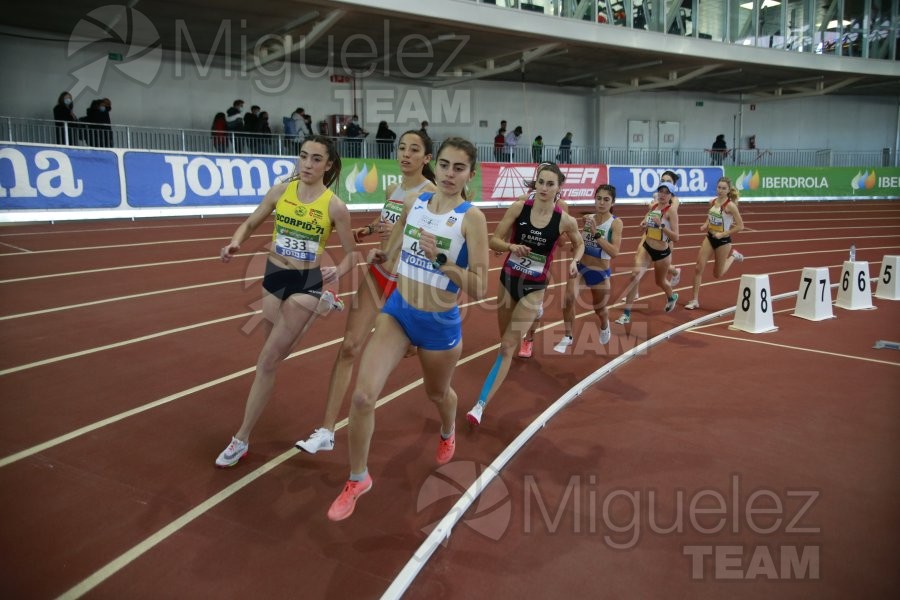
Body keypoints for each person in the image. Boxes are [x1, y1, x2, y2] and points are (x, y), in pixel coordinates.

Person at [326, 137, 490, 521]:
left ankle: (448, 427)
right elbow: (397, 242)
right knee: (364, 397)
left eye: (459, 168)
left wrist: (441, 258)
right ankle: (357, 478)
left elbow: (480, 285)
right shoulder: (416, 203)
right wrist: (384, 252)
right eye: (445, 165)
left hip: (438, 324)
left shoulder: (472, 218)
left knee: (438, 394)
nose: (450, 174)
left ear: (471, 173)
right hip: (399, 312)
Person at [214, 136, 358, 468]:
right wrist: (235, 242)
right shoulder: (281, 192)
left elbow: (353, 254)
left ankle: (241, 439)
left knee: (266, 361)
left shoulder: (335, 206)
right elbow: (251, 222)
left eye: (316, 159)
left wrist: (337, 270)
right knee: (277, 354)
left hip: (305, 283)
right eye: (303, 156)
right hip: (274, 275)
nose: (307, 164)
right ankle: (323, 306)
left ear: (329, 165)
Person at [295, 130, 436, 455]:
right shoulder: (393, 188)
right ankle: (326, 431)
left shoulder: (430, 194)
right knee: (348, 348)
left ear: (426, 158)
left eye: (414, 150)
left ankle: (444, 412)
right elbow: (388, 219)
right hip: (378, 273)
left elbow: (427, 238)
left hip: (408, 282)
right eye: (402, 148)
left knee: (428, 368)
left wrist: (403, 233)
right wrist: (371, 229)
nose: (405, 154)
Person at [466, 162, 583, 425]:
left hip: (535, 286)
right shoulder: (519, 207)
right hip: (508, 279)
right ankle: (530, 323)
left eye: (550, 184)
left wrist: (575, 260)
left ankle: (479, 406)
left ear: (559, 188)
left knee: (508, 346)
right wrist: (512, 246)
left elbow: (579, 243)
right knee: (504, 340)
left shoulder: (564, 219)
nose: (544, 188)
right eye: (540, 182)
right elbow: (494, 240)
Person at [553, 184, 622, 354]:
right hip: (581, 268)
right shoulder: (588, 218)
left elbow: (614, 252)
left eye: (606, 200)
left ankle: (605, 326)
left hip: (600, 273)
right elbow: (581, 244)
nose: (601, 203)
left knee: (600, 309)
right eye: (598, 198)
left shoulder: (615, 223)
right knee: (568, 299)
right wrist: (576, 249)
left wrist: (596, 234)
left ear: (613, 202)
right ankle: (568, 336)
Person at [614, 182, 680, 324]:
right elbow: (646, 220)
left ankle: (671, 297)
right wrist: (643, 224)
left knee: (660, 281)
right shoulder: (654, 206)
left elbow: (676, 237)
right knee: (634, 276)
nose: (662, 195)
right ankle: (626, 314)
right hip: (647, 247)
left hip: (662, 252)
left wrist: (661, 225)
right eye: (660, 191)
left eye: (666, 192)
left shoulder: (671, 211)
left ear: (671, 196)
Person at [685, 177, 745, 310]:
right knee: (698, 267)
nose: (720, 190)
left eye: (724, 188)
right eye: (719, 187)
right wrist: (706, 224)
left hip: (723, 241)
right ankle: (694, 300)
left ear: (728, 190)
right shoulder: (712, 201)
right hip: (710, 237)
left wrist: (723, 234)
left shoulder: (730, 206)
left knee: (717, 274)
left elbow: (740, 226)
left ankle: (733, 256)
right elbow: (710, 215)